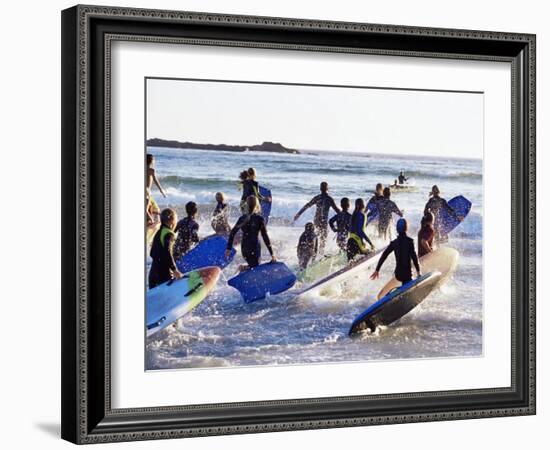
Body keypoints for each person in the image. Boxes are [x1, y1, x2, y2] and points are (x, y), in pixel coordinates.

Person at [226, 195, 276, 271]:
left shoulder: (242, 218)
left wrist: (229, 248)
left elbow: (233, 232)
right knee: (255, 267)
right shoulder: (259, 219)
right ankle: (241, 268)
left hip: (245, 247)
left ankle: (243, 270)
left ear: (246, 205)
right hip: (254, 247)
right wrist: (272, 253)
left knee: (253, 267)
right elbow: (265, 236)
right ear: (257, 205)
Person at [293, 182, 340, 255]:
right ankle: (320, 254)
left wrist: (298, 214)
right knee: (323, 240)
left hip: (317, 221)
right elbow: (338, 211)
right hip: (323, 221)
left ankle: (312, 253)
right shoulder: (329, 199)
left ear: (320, 189)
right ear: (328, 189)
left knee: (314, 238)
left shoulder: (317, 198)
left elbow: (307, 205)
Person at [370, 218, 420, 285]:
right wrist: (418, 272)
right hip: (407, 275)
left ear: (397, 229)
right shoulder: (410, 241)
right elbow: (414, 257)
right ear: (406, 228)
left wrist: (377, 270)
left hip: (398, 275)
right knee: (408, 274)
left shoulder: (394, 243)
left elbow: (384, 255)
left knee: (403, 274)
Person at [148, 208, 184, 289]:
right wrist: (175, 270)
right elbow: (167, 252)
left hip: (153, 273)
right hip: (163, 274)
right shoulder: (169, 234)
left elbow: (152, 252)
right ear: (172, 220)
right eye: (176, 219)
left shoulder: (159, 232)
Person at [146, 154, 167, 221]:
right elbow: (156, 181)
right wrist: (161, 190)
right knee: (154, 209)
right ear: (151, 161)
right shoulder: (151, 170)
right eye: (154, 160)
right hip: (147, 192)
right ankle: (152, 222)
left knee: (150, 208)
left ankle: (149, 221)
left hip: (147, 192)